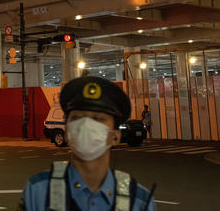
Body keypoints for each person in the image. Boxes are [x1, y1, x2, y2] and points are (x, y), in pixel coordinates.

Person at [18, 76, 157, 211]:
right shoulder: (37, 192)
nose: (86, 125)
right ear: (67, 132)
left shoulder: (139, 202)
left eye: (98, 119)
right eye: (77, 118)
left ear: (115, 136)